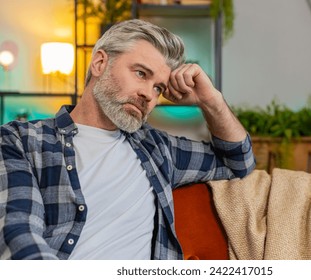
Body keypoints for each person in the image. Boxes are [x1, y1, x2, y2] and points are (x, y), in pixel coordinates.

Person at [0, 19, 255, 260]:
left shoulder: (158, 148)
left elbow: (239, 162)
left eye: (159, 88)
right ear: (100, 63)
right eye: (141, 74)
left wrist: (211, 101)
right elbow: (18, 232)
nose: (148, 94)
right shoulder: (21, 140)